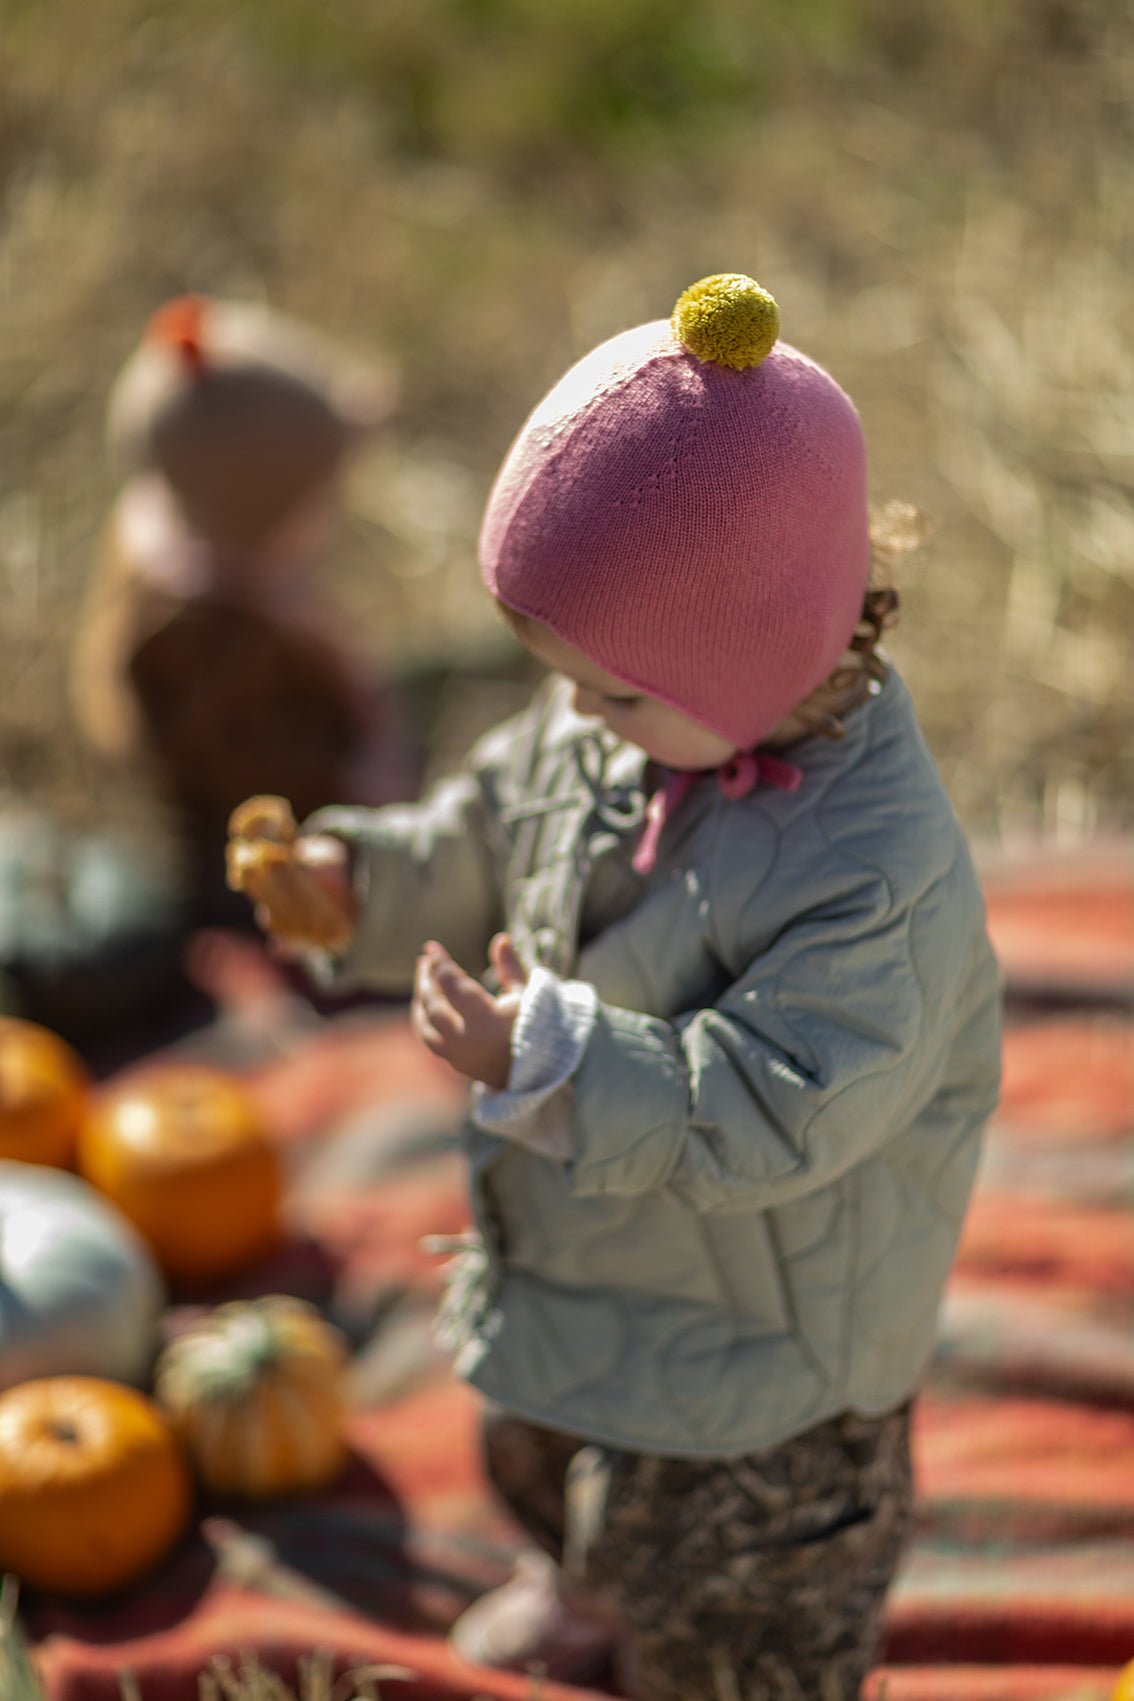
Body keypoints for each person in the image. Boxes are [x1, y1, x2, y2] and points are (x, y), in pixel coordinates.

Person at [235, 273, 1003, 1700]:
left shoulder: (870, 874)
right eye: (561, 676)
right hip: (593, 1245)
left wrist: (555, 1056)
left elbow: (786, 1102)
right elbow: (487, 826)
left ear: (752, 651)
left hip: (774, 1332)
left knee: (740, 1583)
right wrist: (362, 883)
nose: (574, 713)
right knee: (547, 1451)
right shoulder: (631, 711)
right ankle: (581, 1581)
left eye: (607, 690)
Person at [71, 293, 417, 923]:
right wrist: (367, 792)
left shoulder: (181, 524)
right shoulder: (213, 652)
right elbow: (278, 781)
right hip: (260, 837)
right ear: (276, 524)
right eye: (323, 498)